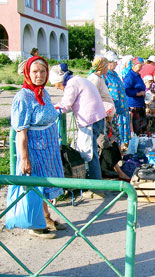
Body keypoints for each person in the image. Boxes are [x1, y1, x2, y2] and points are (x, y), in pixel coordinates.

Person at [11, 56, 65, 239]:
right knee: (34, 186)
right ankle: (35, 224)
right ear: (27, 73)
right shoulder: (23, 97)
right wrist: (24, 158)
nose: (39, 75)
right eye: (35, 72)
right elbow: (21, 131)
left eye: (42, 71)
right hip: (34, 148)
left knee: (44, 184)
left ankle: (46, 217)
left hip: (48, 148)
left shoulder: (42, 92)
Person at [50, 64, 106, 197]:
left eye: (56, 85)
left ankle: (97, 189)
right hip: (96, 118)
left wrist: (50, 110)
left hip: (90, 121)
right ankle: (94, 185)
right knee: (92, 153)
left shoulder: (72, 84)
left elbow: (65, 105)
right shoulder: (78, 80)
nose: (57, 88)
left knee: (90, 154)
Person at [97, 102, 131, 181]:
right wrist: (110, 141)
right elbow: (102, 143)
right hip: (99, 149)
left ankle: (112, 169)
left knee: (114, 145)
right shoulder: (100, 125)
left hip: (105, 144)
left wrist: (111, 140)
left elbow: (114, 134)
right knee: (109, 149)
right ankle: (119, 172)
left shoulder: (107, 122)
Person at [104, 51, 131, 146]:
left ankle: (121, 151)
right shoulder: (105, 75)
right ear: (108, 62)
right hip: (112, 110)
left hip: (122, 108)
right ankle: (117, 153)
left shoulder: (115, 74)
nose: (116, 64)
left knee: (120, 134)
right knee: (114, 134)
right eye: (114, 62)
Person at [124, 56, 147, 136]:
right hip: (134, 105)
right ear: (134, 65)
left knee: (142, 126)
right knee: (136, 127)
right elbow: (126, 90)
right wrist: (138, 93)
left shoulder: (138, 75)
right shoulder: (130, 76)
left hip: (140, 104)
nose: (141, 68)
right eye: (140, 66)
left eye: (142, 66)